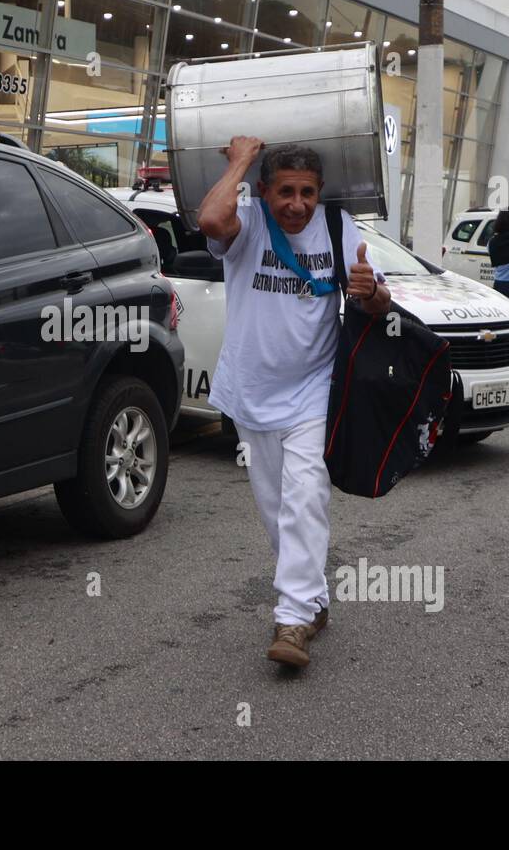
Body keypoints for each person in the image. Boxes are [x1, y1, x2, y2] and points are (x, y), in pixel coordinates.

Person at [198, 137, 390, 668]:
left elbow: (380, 302)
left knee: (305, 495)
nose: (297, 204)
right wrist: (239, 159)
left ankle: (292, 618)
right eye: (285, 191)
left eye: (307, 192)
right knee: (276, 511)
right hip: (251, 391)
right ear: (264, 190)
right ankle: (314, 599)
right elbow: (211, 221)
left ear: (320, 192)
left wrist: (369, 290)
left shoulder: (337, 227)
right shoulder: (247, 220)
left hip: (314, 390)